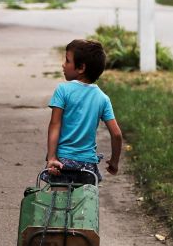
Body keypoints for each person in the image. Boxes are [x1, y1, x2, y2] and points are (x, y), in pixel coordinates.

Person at [44, 39, 124, 181]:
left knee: (61, 200)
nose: (63, 65)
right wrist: (114, 162)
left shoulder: (63, 90)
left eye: (67, 61)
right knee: (84, 201)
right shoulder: (103, 98)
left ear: (81, 68)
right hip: (88, 166)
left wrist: (51, 157)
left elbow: (55, 124)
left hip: (62, 162)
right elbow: (116, 134)